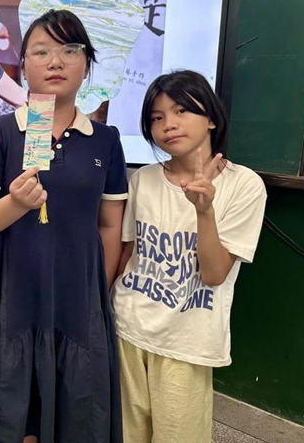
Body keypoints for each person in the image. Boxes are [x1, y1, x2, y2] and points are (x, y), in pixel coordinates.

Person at [0, 9, 127, 442]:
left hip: (78, 299)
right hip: (13, 296)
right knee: (12, 414)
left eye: (69, 51)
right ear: (23, 66)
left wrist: (97, 291)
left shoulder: (106, 140)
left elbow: (110, 224)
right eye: (41, 51)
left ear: (87, 65)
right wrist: (15, 204)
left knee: (78, 413)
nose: (55, 61)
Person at [112, 70, 267, 443]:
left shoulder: (244, 185)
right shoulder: (142, 180)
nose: (168, 124)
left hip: (185, 341)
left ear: (211, 117)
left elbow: (214, 275)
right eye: (157, 117)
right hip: (127, 329)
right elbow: (128, 252)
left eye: (181, 110)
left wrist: (204, 211)